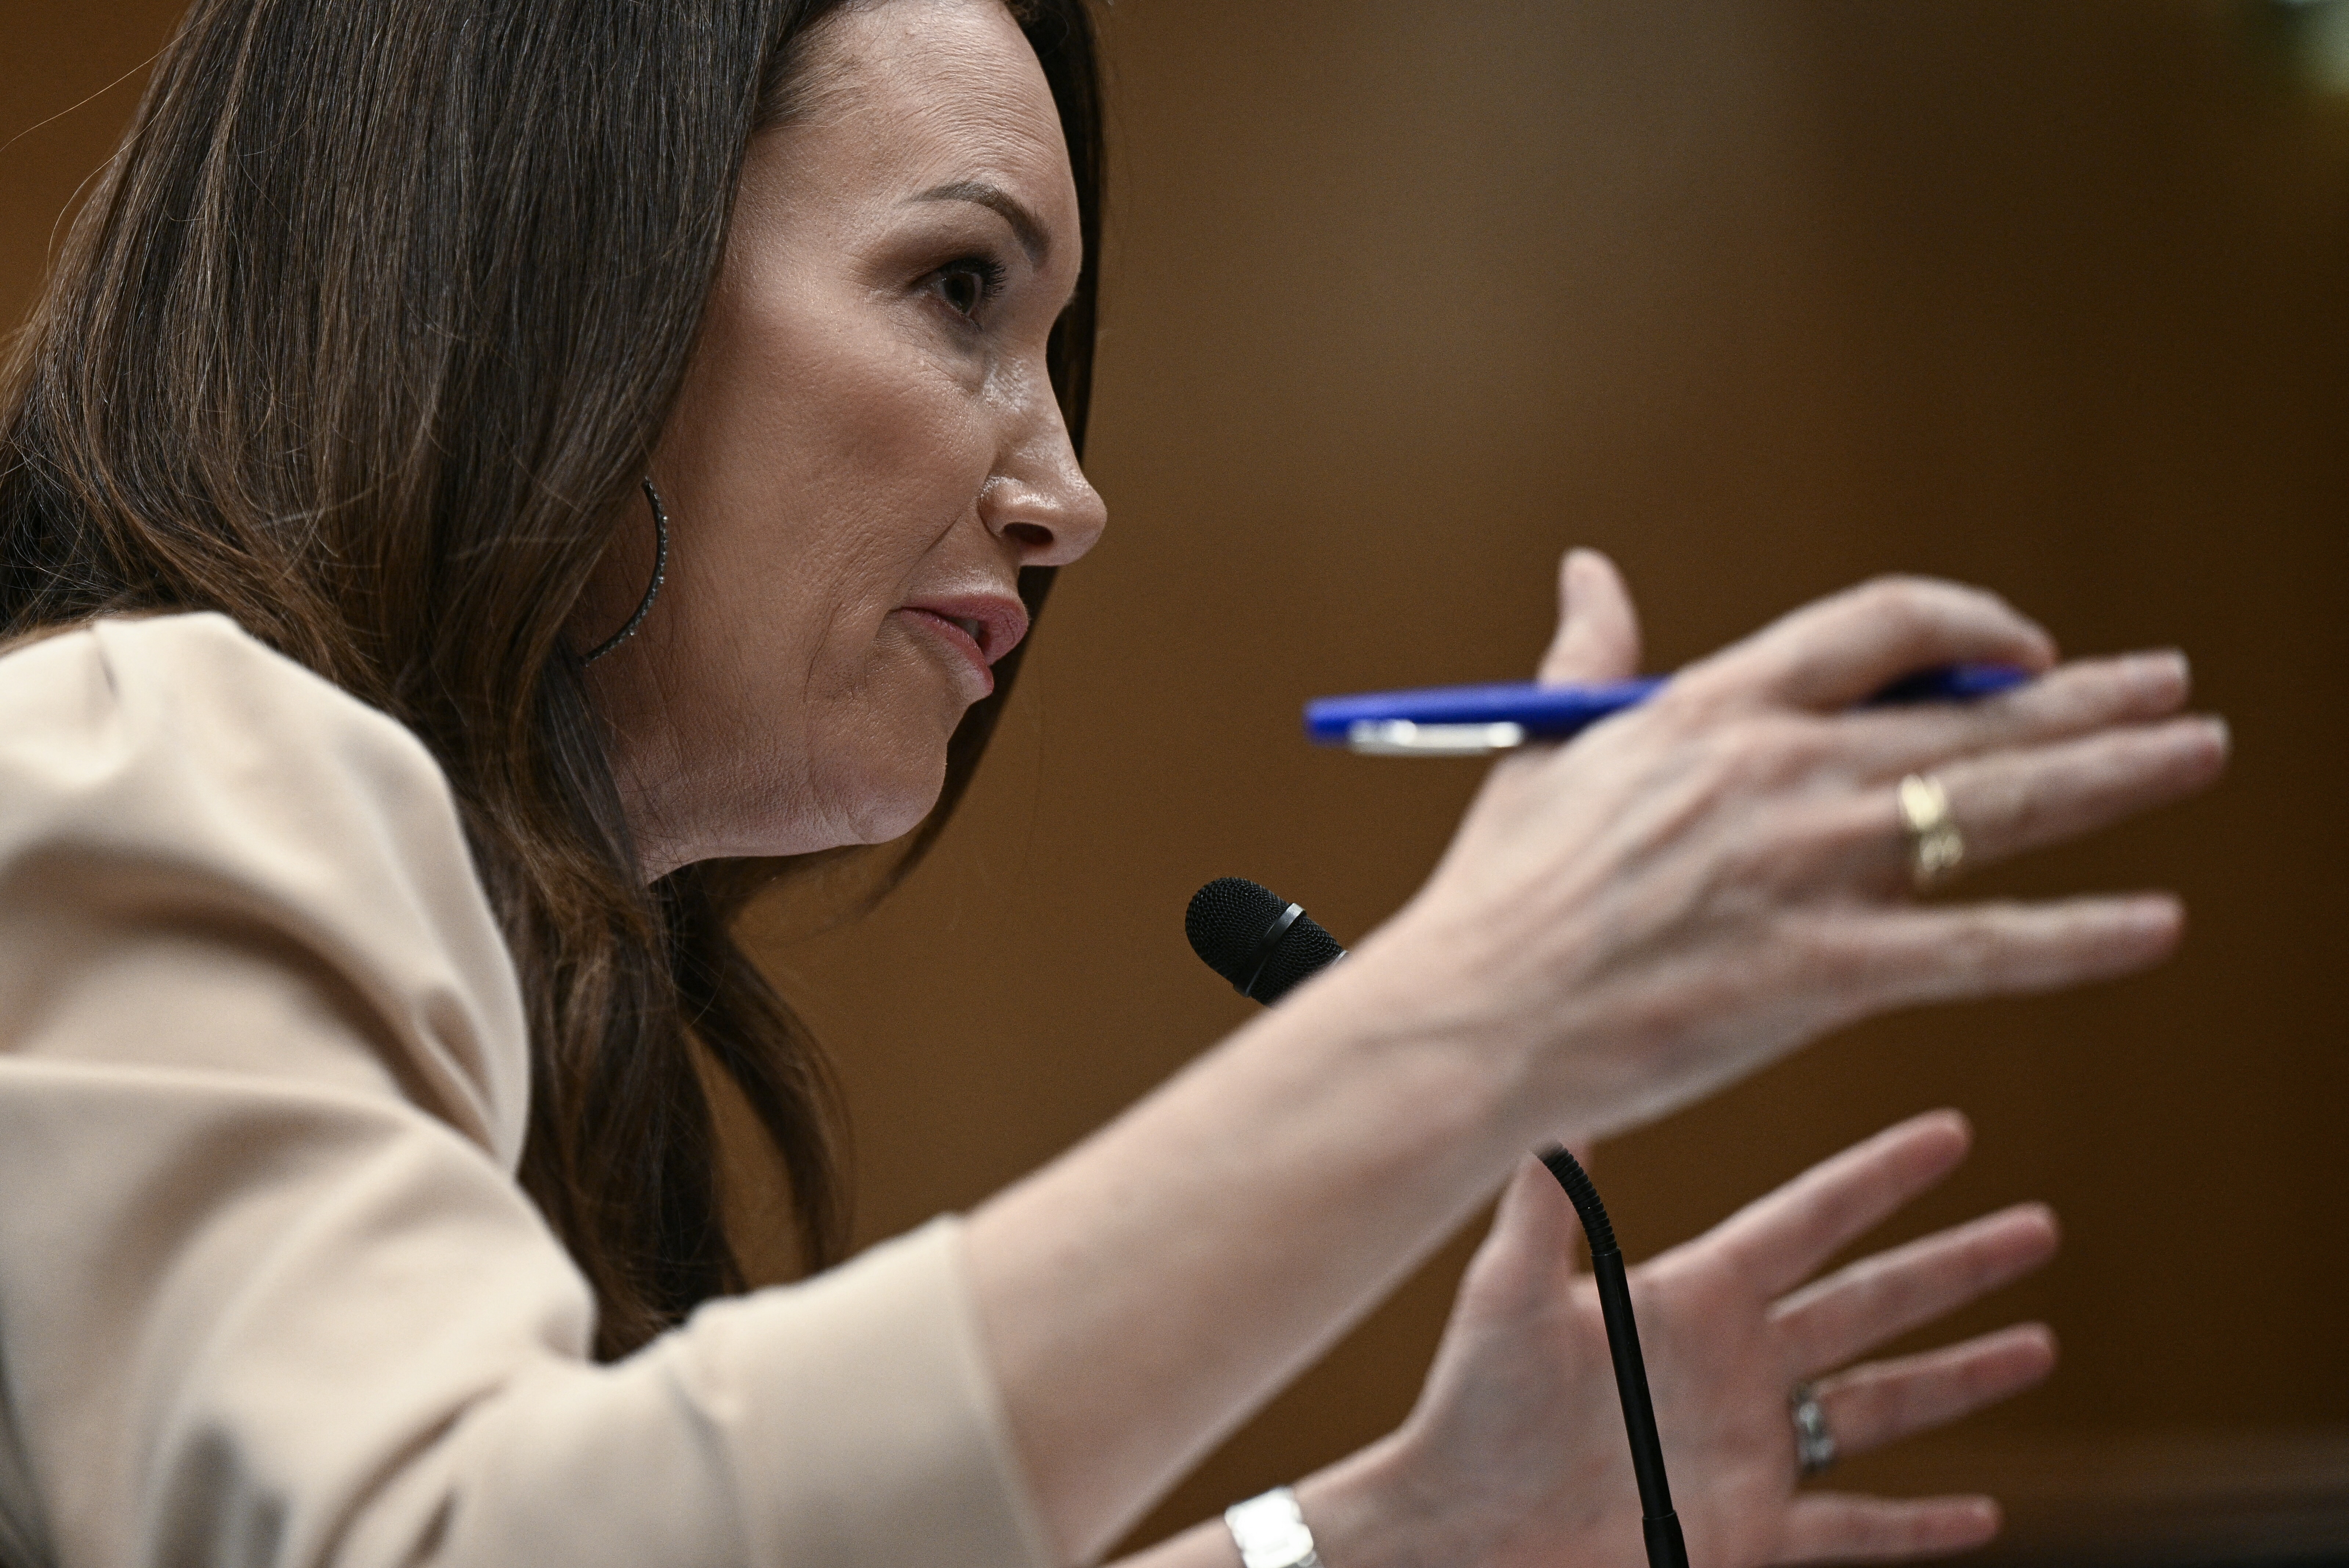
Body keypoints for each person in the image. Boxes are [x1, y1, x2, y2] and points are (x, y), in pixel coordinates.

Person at [0, 1, 2227, 1565]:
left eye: (1051, 344)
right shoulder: (151, 752)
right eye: (957, 286)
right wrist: (1466, 1021)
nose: (1067, 496)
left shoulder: (489, 962)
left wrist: (1389, 1538)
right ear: (550, 274)